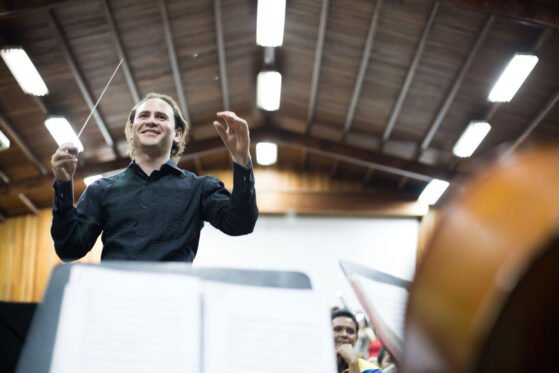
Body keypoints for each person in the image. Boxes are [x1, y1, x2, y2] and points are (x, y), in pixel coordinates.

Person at [50, 92, 258, 262]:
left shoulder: (200, 188)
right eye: (144, 116)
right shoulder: (101, 190)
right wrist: (63, 184)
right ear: (131, 130)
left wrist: (242, 160)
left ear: (177, 134)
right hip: (114, 303)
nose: (151, 121)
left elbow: (240, 223)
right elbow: (70, 249)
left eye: (161, 117)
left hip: (172, 305)